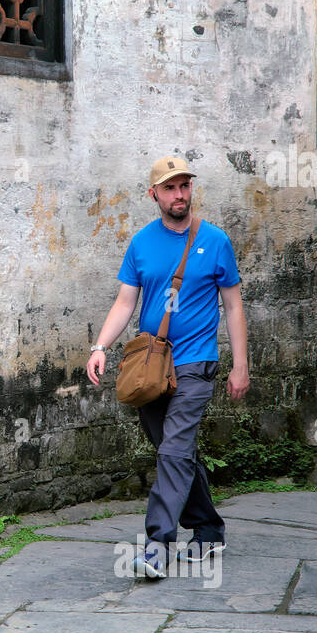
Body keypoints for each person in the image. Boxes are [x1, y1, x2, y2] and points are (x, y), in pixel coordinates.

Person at [87, 156, 250, 578]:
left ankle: (158, 545)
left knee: (174, 451)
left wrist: (240, 365)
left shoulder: (215, 241)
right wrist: (100, 346)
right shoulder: (141, 243)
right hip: (151, 367)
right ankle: (209, 529)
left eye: (185, 186)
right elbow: (126, 301)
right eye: (170, 188)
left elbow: (233, 306)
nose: (180, 195)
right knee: (174, 453)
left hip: (196, 364)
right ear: (154, 194)